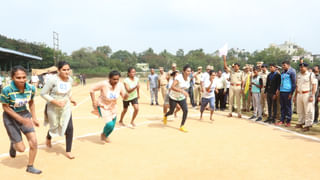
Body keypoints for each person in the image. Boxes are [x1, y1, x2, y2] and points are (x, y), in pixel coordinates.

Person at [0, 66, 42, 174]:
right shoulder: (7, 90)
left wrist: (34, 118)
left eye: (24, 77)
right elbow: (5, 107)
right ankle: (13, 143)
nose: (22, 80)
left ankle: (30, 166)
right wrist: (21, 120)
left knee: (34, 142)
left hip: (25, 114)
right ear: (13, 78)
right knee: (21, 149)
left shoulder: (31, 88)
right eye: (18, 78)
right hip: (10, 117)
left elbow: (31, 103)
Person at [41, 61, 77, 159]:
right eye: (64, 70)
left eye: (68, 69)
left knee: (69, 128)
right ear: (58, 70)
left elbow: (69, 91)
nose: (66, 72)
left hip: (65, 107)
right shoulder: (52, 80)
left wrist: (71, 98)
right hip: (53, 106)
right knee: (54, 126)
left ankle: (68, 151)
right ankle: (48, 137)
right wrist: (56, 102)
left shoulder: (70, 80)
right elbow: (43, 93)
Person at [90, 71, 128, 143]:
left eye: (117, 79)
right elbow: (92, 89)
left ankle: (105, 135)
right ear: (109, 78)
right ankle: (103, 135)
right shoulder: (104, 84)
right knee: (109, 124)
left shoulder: (120, 85)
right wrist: (93, 101)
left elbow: (124, 96)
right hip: (103, 106)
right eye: (114, 79)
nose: (116, 81)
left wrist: (126, 96)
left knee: (112, 126)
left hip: (113, 107)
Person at [163, 65, 192, 132]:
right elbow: (172, 87)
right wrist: (181, 91)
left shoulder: (188, 79)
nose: (189, 72)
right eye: (187, 71)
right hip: (173, 97)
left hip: (181, 97)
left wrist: (185, 93)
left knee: (186, 110)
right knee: (171, 111)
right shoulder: (179, 77)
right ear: (184, 71)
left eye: (190, 71)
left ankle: (182, 126)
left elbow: (185, 88)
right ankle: (165, 115)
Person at [294, 62, 317, 132]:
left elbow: (314, 85)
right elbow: (297, 86)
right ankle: (300, 122)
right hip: (299, 94)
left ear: (306, 68)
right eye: (300, 67)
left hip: (307, 94)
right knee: (300, 110)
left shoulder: (310, 74)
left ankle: (308, 125)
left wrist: (312, 95)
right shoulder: (298, 75)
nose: (301, 68)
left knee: (308, 110)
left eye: (303, 67)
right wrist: (295, 96)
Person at [276, 61, 296, 127]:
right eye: (282, 65)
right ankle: (282, 120)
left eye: (284, 65)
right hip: (282, 91)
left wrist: (291, 93)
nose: (283, 66)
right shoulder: (282, 72)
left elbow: (293, 84)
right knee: (282, 106)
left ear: (288, 65)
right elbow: (280, 82)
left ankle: (288, 121)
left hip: (288, 92)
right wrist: (278, 89)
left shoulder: (292, 72)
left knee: (288, 107)